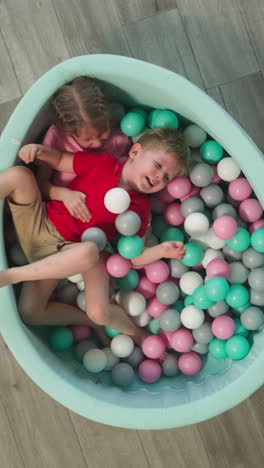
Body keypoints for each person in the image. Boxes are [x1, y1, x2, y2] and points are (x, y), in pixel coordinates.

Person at [0, 127, 189, 345]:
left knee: (32, 312)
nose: (158, 177)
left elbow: (134, 257)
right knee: (19, 175)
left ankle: (128, 330)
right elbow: (61, 159)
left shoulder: (140, 208)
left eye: (166, 177)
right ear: (135, 152)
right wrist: (40, 152)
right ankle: (13, 276)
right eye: (157, 166)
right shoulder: (104, 164)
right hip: (38, 220)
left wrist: (162, 250)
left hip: (59, 255)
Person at [38, 76, 131, 223]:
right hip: (62, 213)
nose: (98, 142)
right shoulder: (57, 137)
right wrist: (64, 195)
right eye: (88, 139)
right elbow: (41, 184)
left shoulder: (119, 141)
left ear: (108, 118)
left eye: (102, 133)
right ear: (68, 131)